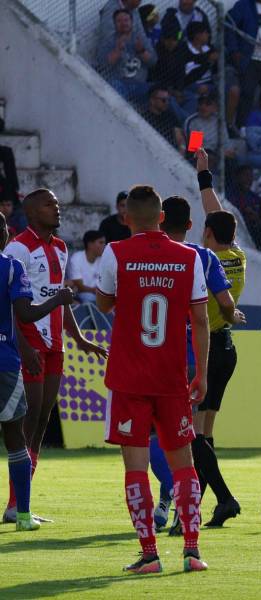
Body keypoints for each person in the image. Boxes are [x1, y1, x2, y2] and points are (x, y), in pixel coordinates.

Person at [95, 185, 208, 574]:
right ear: (162, 217)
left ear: (125, 218)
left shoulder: (115, 252)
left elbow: (104, 302)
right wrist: (202, 374)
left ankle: (149, 554)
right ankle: (192, 551)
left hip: (129, 377)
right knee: (184, 465)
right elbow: (201, 320)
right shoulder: (188, 256)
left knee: (135, 467)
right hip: (173, 376)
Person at [2, 190, 108, 525]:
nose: (57, 208)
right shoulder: (17, 247)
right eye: (49, 204)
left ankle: (19, 503)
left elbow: (59, 298)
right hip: (29, 340)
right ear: (32, 211)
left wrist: (78, 338)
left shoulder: (61, 248)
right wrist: (23, 345)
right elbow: (10, 302)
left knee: (42, 420)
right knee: (28, 418)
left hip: (55, 343)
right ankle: (18, 504)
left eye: (57, 204)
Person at [156, 191, 245, 532]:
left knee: (188, 435)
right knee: (203, 434)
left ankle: (218, 499)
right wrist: (231, 314)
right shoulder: (231, 256)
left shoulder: (173, 257)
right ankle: (200, 509)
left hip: (193, 353)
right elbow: (224, 303)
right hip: (226, 348)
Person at [0, 211, 74, 532]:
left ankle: (17, 508)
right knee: (18, 436)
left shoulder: (58, 248)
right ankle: (22, 513)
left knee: (36, 423)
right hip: (7, 360)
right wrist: (57, 299)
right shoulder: (13, 264)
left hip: (41, 348)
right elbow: (26, 314)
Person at [97, 9, 157, 104]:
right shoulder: (109, 40)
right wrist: (117, 51)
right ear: (114, 24)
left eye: (126, 20)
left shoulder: (141, 39)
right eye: (119, 21)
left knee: (160, 93)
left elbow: (153, 62)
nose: (123, 23)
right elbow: (103, 64)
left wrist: (141, 51)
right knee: (116, 88)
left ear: (132, 22)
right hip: (118, 82)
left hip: (139, 84)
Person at [142, 85, 186, 153]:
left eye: (168, 100)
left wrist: (181, 151)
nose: (167, 103)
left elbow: (180, 139)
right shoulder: (144, 116)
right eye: (163, 100)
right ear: (152, 100)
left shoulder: (170, 116)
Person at [67, 230, 106, 304]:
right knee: (90, 298)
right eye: (101, 242)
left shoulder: (103, 259)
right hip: (81, 295)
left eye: (104, 242)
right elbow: (79, 287)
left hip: (98, 294)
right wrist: (95, 291)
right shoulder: (77, 258)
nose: (104, 245)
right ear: (90, 244)